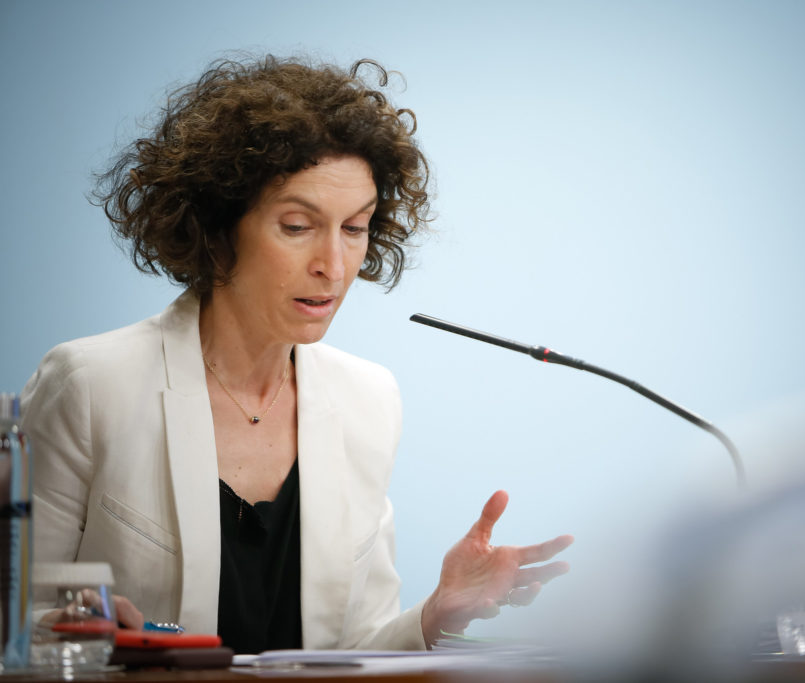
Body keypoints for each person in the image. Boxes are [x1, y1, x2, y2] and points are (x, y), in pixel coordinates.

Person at [22, 54, 572, 654]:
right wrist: (85, 640)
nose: (333, 266)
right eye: (296, 226)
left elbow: (355, 645)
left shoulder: (369, 399)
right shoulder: (90, 384)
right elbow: (17, 622)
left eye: (355, 228)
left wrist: (435, 614)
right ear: (218, 227)